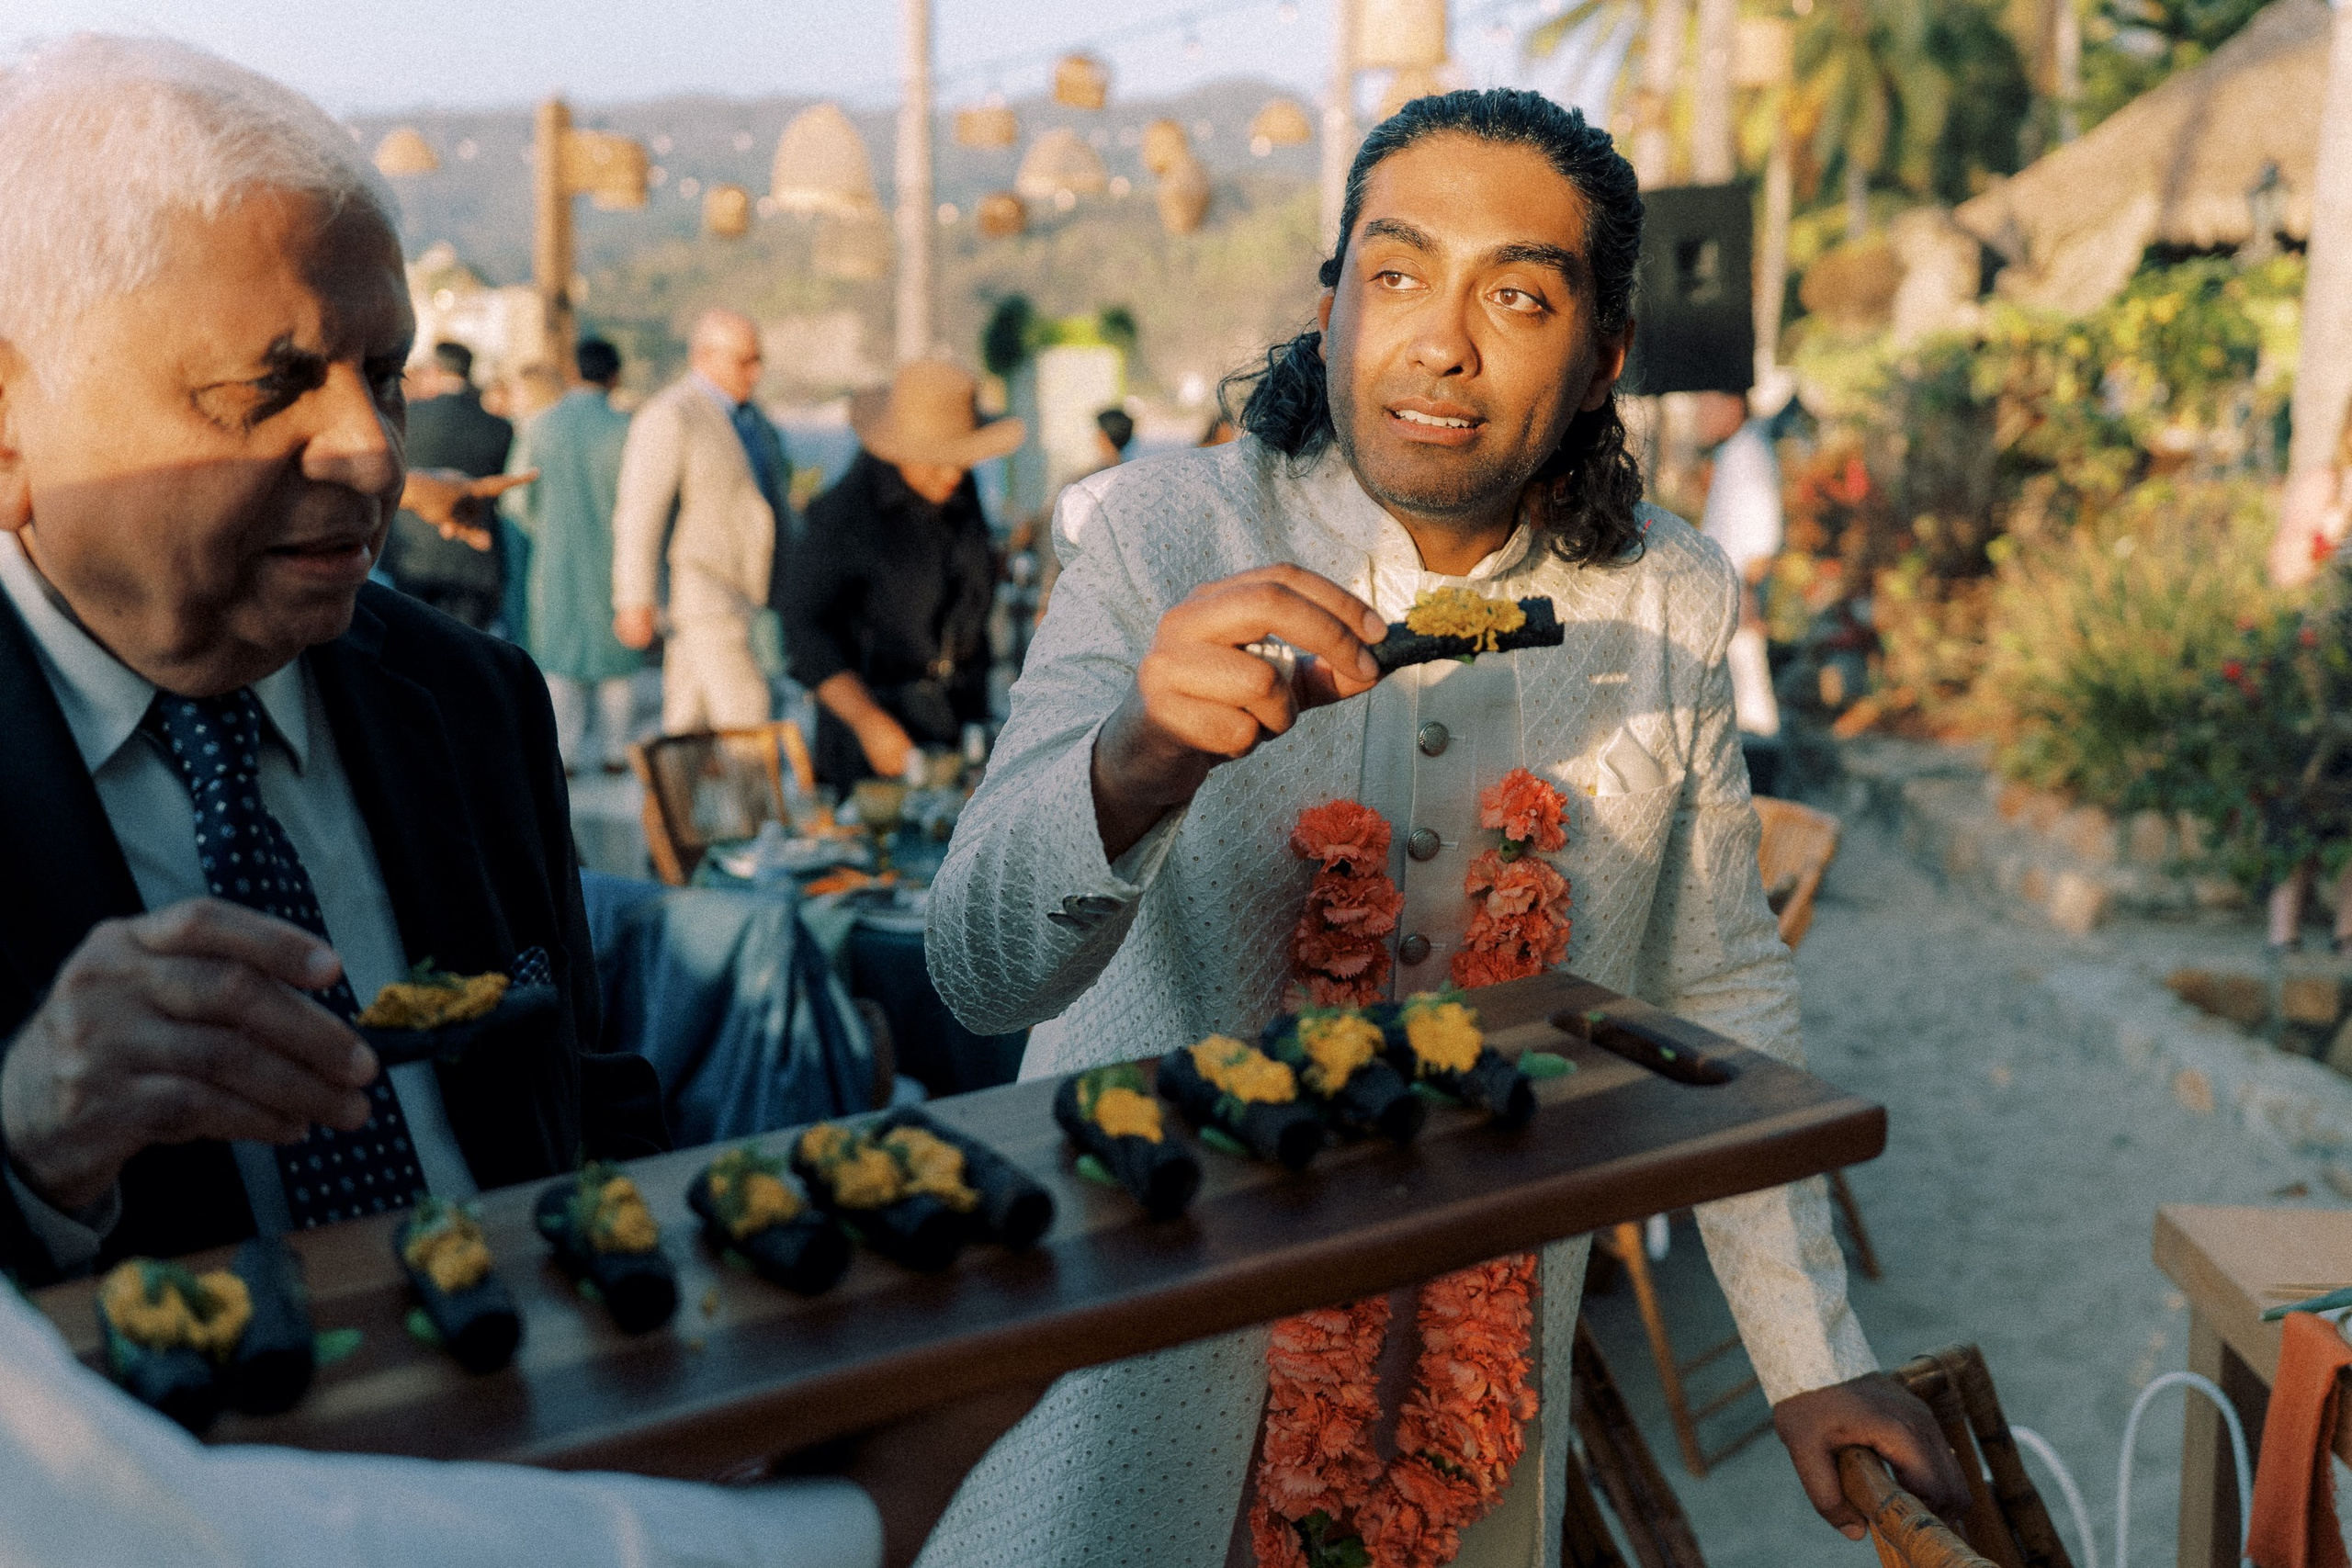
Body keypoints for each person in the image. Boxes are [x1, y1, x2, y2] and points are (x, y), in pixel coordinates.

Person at [0, 39, 1038, 1568]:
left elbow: (576, 1099)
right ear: (14, 420)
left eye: (387, 373)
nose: (369, 447)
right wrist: (29, 1146)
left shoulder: (472, 703)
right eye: (272, 381)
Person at [923, 90, 1968, 1568]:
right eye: (1396, 272)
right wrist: (1135, 759)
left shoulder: (1666, 595)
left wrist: (1810, 1352)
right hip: (1128, 1370)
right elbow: (975, 972)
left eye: (1520, 294)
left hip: (1465, 1385)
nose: (1442, 339)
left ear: (1606, 352)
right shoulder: (1156, 535)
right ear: (1334, 299)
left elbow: (1719, 982)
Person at [781, 360, 1022, 786]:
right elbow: (804, 630)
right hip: (874, 733)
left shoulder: (960, 496)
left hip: (957, 723)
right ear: (898, 447)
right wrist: (865, 719)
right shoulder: (841, 515)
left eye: (961, 459)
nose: (952, 474)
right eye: (936, 461)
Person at [612, 309, 792, 735]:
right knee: (748, 710)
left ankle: (665, 803)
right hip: (700, 592)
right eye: (744, 360)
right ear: (705, 356)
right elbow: (640, 511)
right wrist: (633, 599)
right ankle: (758, 804)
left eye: (757, 359)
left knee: (685, 725)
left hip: (743, 590)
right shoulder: (671, 414)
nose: (757, 371)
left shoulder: (754, 420)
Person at [505, 338, 640, 774]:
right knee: (616, 658)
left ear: (575, 372)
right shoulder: (627, 428)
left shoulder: (541, 427)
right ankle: (615, 752)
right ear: (615, 375)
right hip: (615, 558)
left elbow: (516, 504)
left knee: (560, 656)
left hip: (556, 558)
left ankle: (563, 754)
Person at [379, 340, 513, 630]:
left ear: (435, 369)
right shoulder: (499, 427)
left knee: (411, 652)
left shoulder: (408, 416)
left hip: (411, 554)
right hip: (474, 556)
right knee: (464, 657)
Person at [1694, 388, 1784, 792]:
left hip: (1740, 588)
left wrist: (1748, 589)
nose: (1700, 415)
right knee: (1738, 690)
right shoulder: (1734, 451)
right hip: (1726, 588)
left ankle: (1765, 790)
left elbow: (1765, 528)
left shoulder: (1749, 451)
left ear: (1732, 404)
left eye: (1706, 406)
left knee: (1752, 692)